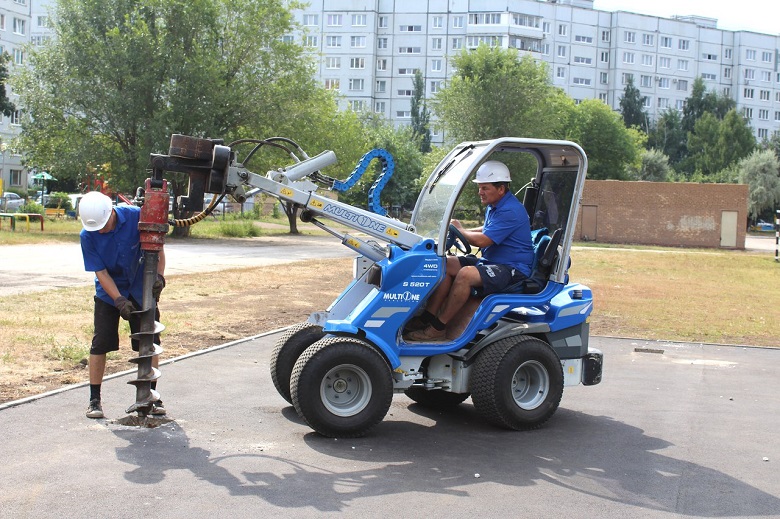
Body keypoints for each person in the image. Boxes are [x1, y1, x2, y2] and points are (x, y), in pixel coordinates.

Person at [406, 160, 534, 342]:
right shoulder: (496, 206)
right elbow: (485, 229)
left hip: (513, 268)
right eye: (480, 187)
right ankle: (428, 317)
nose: (480, 192)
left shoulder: (511, 211)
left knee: (466, 274)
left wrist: (461, 231)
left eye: (485, 188)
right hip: (493, 263)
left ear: (501, 189)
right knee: (445, 263)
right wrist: (460, 229)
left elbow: (483, 241)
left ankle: (437, 328)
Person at [78, 191, 166, 418]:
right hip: (109, 293)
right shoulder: (88, 235)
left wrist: (160, 277)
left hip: (140, 286)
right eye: (96, 228)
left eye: (103, 225)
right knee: (101, 342)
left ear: (112, 212)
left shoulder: (137, 217)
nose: (100, 230)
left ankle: (151, 397)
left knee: (149, 340)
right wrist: (118, 299)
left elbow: (158, 248)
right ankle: (94, 400)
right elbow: (101, 272)